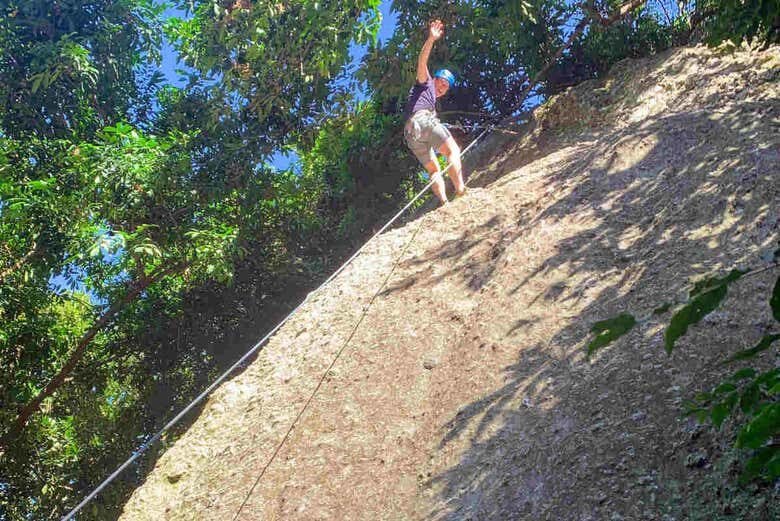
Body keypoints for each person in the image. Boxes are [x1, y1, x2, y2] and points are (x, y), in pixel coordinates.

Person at [403, 19, 465, 205]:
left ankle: (444, 202)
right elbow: (422, 62)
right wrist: (431, 39)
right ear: (435, 79)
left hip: (411, 133)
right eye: (442, 83)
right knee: (453, 150)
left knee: (434, 170)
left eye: (447, 87)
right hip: (423, 121)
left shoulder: (427, 100)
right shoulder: (426, 82)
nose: (443, 88)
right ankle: (460, 189)